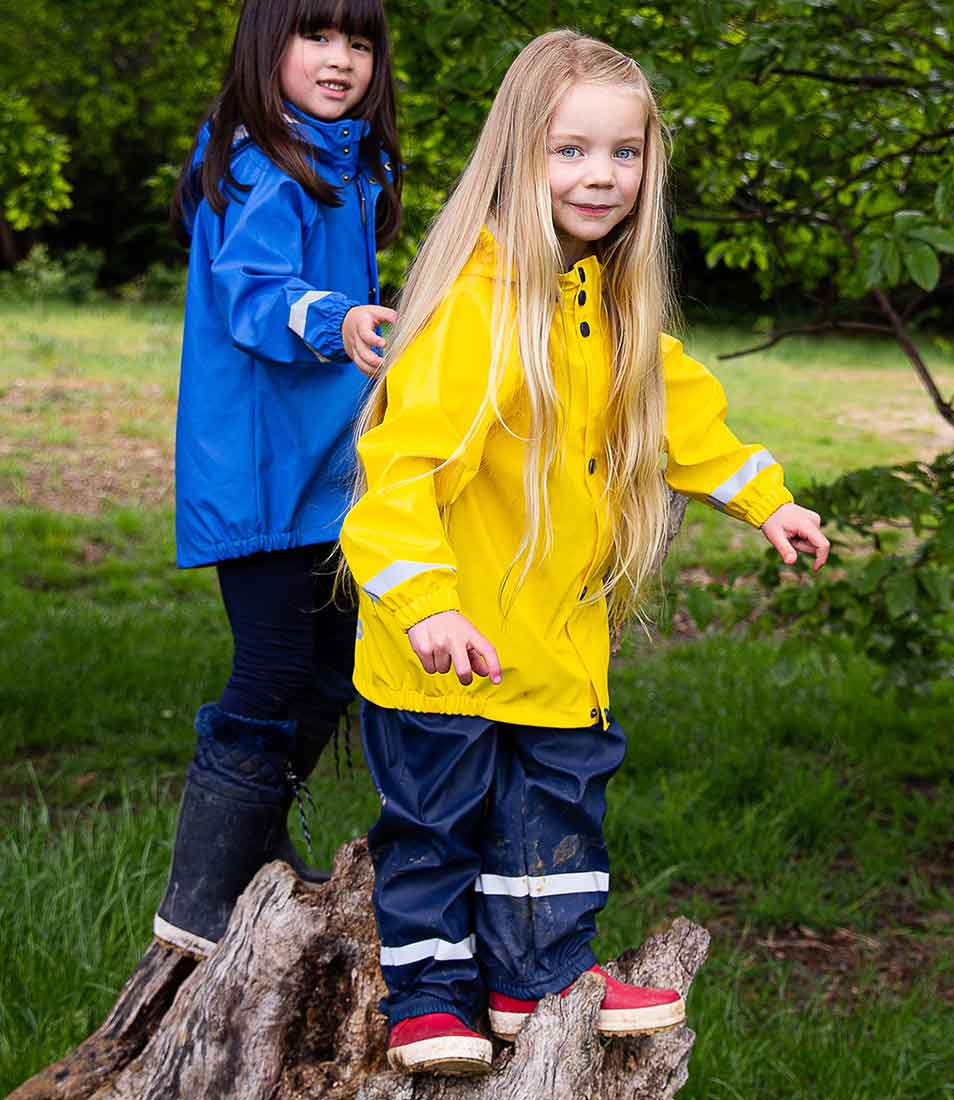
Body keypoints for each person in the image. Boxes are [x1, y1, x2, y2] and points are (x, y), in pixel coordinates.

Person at [339, 29, 829, 1076]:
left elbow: (679, 417)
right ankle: (426, 998)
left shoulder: (610, 306)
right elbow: (394, 481)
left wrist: (764, 499)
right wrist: (424, 604)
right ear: (518, 158)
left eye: (623, 151)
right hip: (445, 646)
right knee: (434, 827)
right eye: (568, 151)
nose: (599, 175)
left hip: (556, 651)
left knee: (549, 827)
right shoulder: (477, 308)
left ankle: (534, 980)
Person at [154, 0, 403, 960]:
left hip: (328, 473)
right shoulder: (260, 159)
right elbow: (254, 290)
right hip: (258, 470)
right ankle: (201, 897)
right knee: (268, 670)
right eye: (318, 36)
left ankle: (254, 849)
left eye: (361, 41)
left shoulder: (349, 160)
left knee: (336, 665)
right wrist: (333, 318)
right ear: (269, 44)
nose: (342, 60)